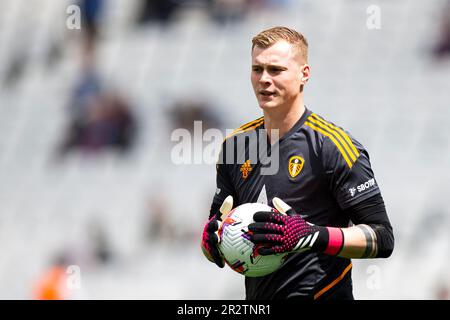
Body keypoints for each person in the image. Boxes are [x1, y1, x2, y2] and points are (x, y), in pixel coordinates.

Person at [201, 26, 394, 300]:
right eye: (257, 69)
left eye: (275, 70)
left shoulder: (335, 146)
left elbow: (382, 238)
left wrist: (310, 235)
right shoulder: (234, 146)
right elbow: (218, 230)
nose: (264, 79)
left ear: (304, 74)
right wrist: (211, 244)